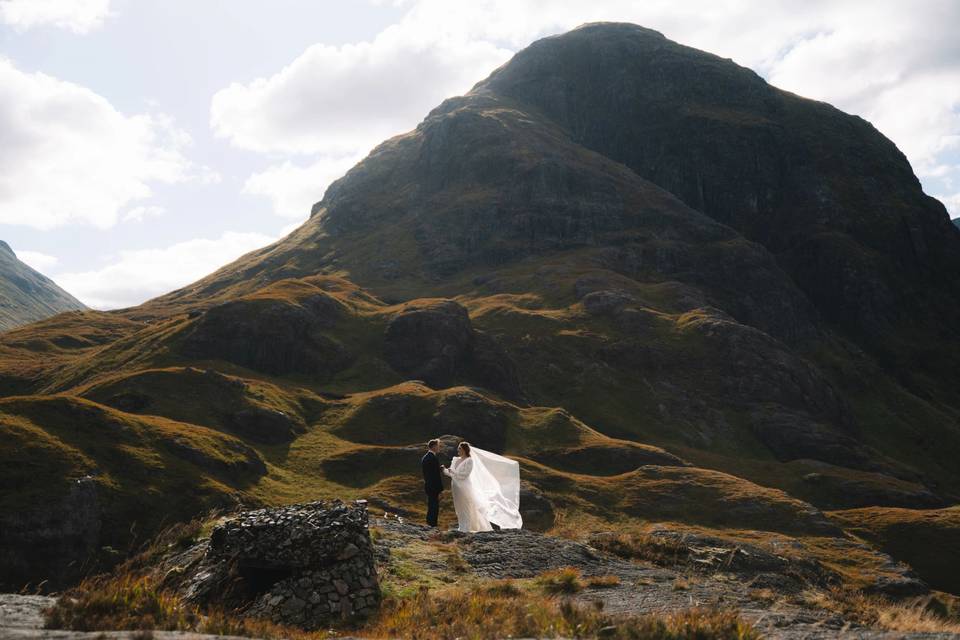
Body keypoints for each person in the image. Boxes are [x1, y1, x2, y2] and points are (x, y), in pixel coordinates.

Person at [442, 441, 523, 533]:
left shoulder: (469, 461)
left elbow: (464, 475)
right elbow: (451, 473)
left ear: (464, 450)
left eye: (460, 448)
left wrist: (453, 472)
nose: (458, 450)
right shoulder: (455, 460)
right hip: (455, 487)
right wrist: (444, 470)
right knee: (458, 507)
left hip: (464, 487)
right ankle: (461, 527)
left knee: (466, 506)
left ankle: (466, 528)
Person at [421, 439, 443, 527]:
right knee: (434, 506)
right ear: (433, 446)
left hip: (429, 486)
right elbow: (434, 475)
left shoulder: (426, 457)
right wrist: (440, 488)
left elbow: (431, 472)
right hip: (433, 487)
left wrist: (439, 469)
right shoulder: (432, 458)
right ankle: (432, 524)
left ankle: (430, 523)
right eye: (438, 446)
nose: (439, 448)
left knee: (431, 506)